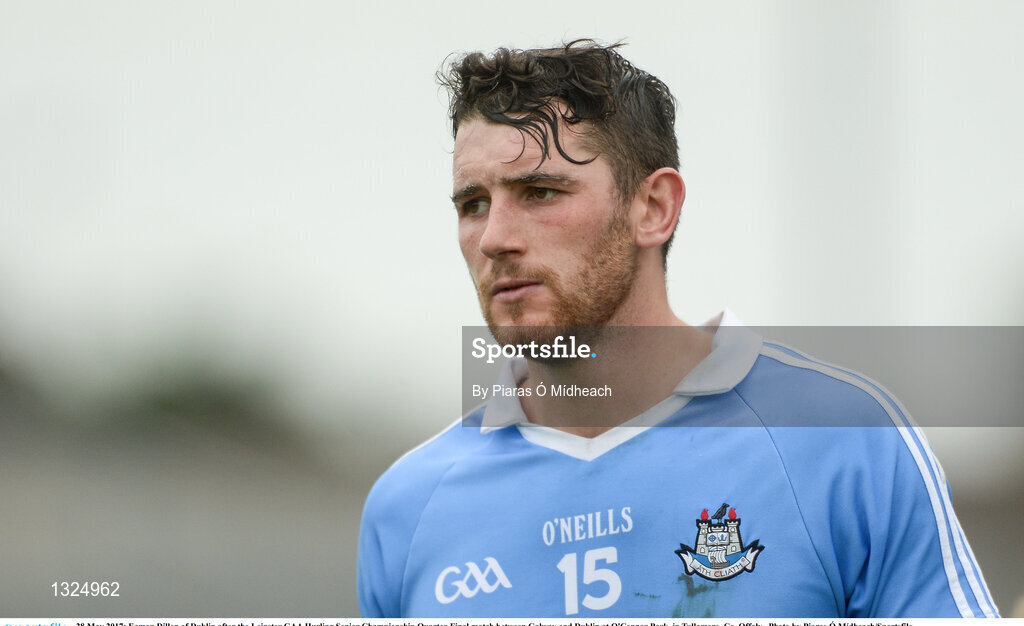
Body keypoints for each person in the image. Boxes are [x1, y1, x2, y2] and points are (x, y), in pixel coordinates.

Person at [356, 40, 997, 618]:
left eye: (541, 192)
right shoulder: (408, 509)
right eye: (473, 204)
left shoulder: (843, 441)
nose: (494, 237)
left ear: (654, 208)